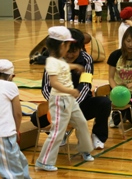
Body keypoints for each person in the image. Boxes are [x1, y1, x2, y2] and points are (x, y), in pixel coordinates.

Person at [33, 28, 111, 150]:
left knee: (104, 103)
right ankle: (61, 133)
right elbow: (46, 88)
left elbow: (85, 85)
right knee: (36, 118)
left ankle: (98, 136)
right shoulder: (53, 60)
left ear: (81, 48)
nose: (69, 55)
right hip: (59, 105)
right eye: (67, 51)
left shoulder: (86, 59)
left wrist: (72, 105)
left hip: (80, 104)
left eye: (74, 52)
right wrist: (60, 105)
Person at [35, 26, 94, 172]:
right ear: (62, 45)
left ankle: (85, 149)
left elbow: (63, 66)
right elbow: (54, 83)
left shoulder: (59, 60)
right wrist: (71, 91)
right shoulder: (51, 61)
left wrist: (74, 66)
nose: (69, 50)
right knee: (57, 131)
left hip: (69, 100)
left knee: (81, 122)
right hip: (60, 99)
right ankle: (44, 161)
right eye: (68, 45)